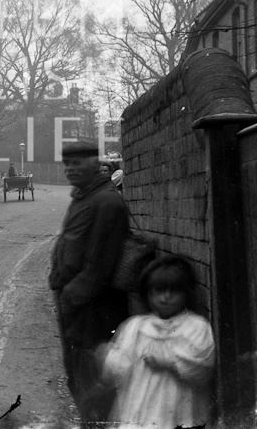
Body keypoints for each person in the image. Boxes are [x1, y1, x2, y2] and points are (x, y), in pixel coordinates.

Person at [48, 139, 129, 423]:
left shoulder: (106, 201)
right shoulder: (85, 196)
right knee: (77, 377)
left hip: (92, 310)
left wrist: (70, 297)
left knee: (91, 382)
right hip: (76, 305)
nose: (70, 168)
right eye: (67, 163)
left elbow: (100, 267)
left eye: (77, 163)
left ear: (95, 163)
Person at [99, 255, 215, 428]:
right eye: (159, 291)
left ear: (186, 294)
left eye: (174, 291)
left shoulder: (196, 327)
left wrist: (170, 363)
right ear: (149, 294)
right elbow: (121, 365)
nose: (165, 297)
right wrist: (107, 357)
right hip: (141, 411)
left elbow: (202, 368)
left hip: (177, 410)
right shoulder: (136, 327)